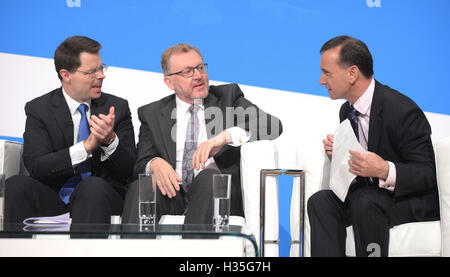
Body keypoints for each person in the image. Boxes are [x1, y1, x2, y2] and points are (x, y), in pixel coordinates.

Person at [307, 35, 439, 257]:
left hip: (406, 199)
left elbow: (427, 173)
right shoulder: (346, 111)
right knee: (320, 201)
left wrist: (385, 170)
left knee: (364, 201)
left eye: (327, 73)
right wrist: (339, 154)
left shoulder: (402, 110)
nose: (321, 80)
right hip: (368, 195)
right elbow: (359, 168)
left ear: (352, 73)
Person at [122, 43, 282, 224]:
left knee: (208, 177)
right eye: (188, 72)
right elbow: (140, 163)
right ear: (169, 82)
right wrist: (154, 164)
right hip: (172, 194)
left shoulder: (227, 97)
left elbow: (272, 125)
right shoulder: (152, 113)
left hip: (215, 194)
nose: (198, 76)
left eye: (200, 68)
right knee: (141, 187)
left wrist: (223, 138)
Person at [4, 36, 137, 224]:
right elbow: (36, 166)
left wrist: (109, 140)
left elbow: (130, 169)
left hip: (100, 198)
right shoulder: (39, 109)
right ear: (66, 75)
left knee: (91, 187)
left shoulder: (117, 107)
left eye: (101, 68)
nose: (101, 76)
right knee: (16, 185)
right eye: (92, 72)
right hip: (54, 198)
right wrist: (85, 147)